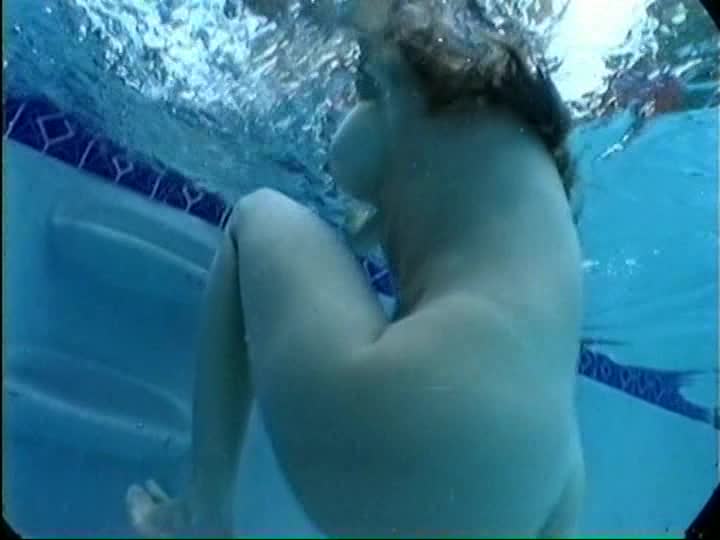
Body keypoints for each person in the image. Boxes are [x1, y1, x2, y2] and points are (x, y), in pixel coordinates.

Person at [126, 1, 585, 537]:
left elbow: (349, 144)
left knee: (257, 213)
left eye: (362, 90)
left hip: (423, 410)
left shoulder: (420, 75)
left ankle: (201, 513)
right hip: (541, 494)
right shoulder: (519, 178)